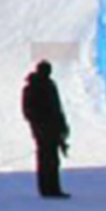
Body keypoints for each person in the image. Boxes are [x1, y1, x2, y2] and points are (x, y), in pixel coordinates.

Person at [22, 60, 71, 199]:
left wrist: (62, 125)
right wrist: (40, 123)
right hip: (42, 129)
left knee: (53, 159)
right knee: (46, 158)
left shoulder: (50, 85)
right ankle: (46, 189)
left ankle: (54, 188)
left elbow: (57, 107)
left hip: (53, 128)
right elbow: (28, 111)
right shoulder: (32, 87)